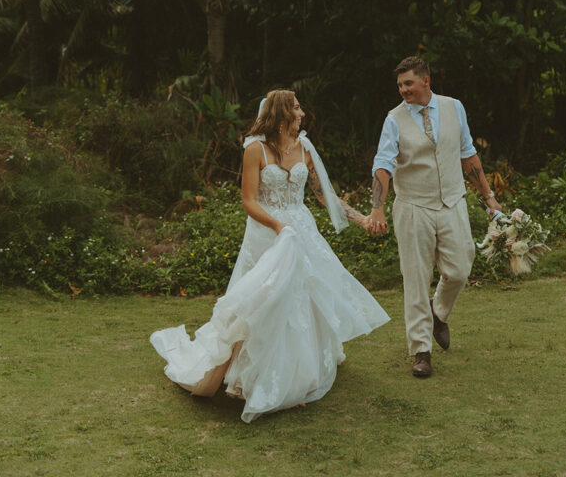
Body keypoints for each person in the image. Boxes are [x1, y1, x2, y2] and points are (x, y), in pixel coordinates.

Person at [150, 89, 389, 422]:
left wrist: (362, 218)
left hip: (301, 231)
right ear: (282, 114)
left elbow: (324, 196)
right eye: (296, 108)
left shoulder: (305, 148)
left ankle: (297, 374)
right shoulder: (254, 150)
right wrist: (279, 226)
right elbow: (249, 201)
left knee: (301, 299)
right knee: (264, 301)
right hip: (267, 232)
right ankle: (254, 374)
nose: (302, 113)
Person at [367, 56, 501, 378]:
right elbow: (383, 165)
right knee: (415, 278)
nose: (403, 90)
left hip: (453, 201)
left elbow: (468, 154)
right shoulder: (394, 119)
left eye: (408, 83)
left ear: (426, 80)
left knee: (459, 268)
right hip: (413, 206)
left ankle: (437, 312)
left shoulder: (454, 107)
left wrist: (490, 197)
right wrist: (377, 206)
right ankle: (421, 350)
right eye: (400, 85)